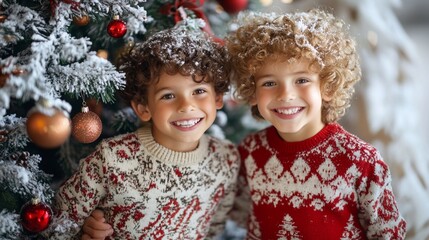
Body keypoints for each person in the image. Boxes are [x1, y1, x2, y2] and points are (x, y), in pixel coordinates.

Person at [225, 9, 407, 239]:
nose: (286, 94)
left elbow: (387, 233)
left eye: (302, 80)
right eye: (269, 82)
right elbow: (243, 217)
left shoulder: (360, 160)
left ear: (328, 87)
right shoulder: (250, 151)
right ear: (252, 91)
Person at [54, 19, 240, 239]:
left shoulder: (226, 160)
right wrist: (84, 233)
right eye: (168, 96)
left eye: (199, 91)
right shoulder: (112, 159)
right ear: (143, 108)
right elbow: (57, 225)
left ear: (217, 97)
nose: (186, 106)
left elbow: (214, 229)